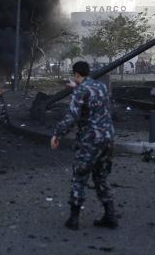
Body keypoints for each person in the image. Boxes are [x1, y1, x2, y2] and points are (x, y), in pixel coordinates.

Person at [50, 61, 118, 231]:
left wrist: (57, 134)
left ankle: (74, 219)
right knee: (101, 177)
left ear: (76, 74)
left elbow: (72, 116)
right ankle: (110, 215)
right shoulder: (101, 87)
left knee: (79, 178)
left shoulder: (80, 91)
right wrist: (77, 87)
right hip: (108, 138)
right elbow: (93, 98)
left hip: (90, 140)